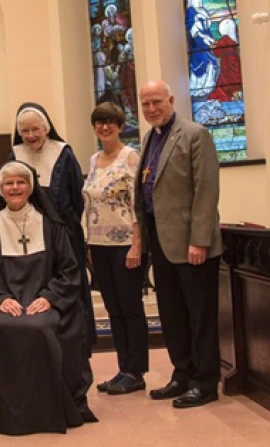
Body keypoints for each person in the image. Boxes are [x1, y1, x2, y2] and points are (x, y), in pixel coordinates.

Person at [0, 161, 96, 435]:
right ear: (1, 190)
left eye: (20, 182)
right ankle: (6, 411)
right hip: (9, 302)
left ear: (30, 187)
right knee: (1, 326)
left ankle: (48, 411)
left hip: (46, 301)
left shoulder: (50, 225)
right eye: (9, 183)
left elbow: (69, 271)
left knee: (40, 326)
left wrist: (50, 298)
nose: (15, 187)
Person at [0, 102, 95, 412]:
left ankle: (75, 349)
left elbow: (77, 195)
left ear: (47, 128)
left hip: (62, 233)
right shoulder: (15, 155)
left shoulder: (63, 151)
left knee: (69, 289)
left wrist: (62, 228)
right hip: (25, 233)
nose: (29, 136)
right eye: (24, 130)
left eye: (34, 130)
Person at [135, 80, 222, 408]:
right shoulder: (149, 138)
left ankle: (206, 381)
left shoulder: (195, 134)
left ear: (171, 100)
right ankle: (183, 373)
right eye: (145, 104)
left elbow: (206, 191)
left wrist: (199, 240)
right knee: (172, 314)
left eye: (157, 102)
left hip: (191, 245)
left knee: (200, 315)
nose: (151, 109)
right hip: (162, 241)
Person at [82, 102, 148, 394]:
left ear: (121, 125)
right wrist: (87, 240)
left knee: (130, 307)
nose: (105, 127)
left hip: (124, 244)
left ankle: (137, 371)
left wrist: (137, 245)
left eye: (110, 122)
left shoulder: (131, 157)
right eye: (99, 122)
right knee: (113, 309)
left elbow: (137, 203)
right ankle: (124, 369)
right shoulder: (94, 159)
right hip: (98, 244)